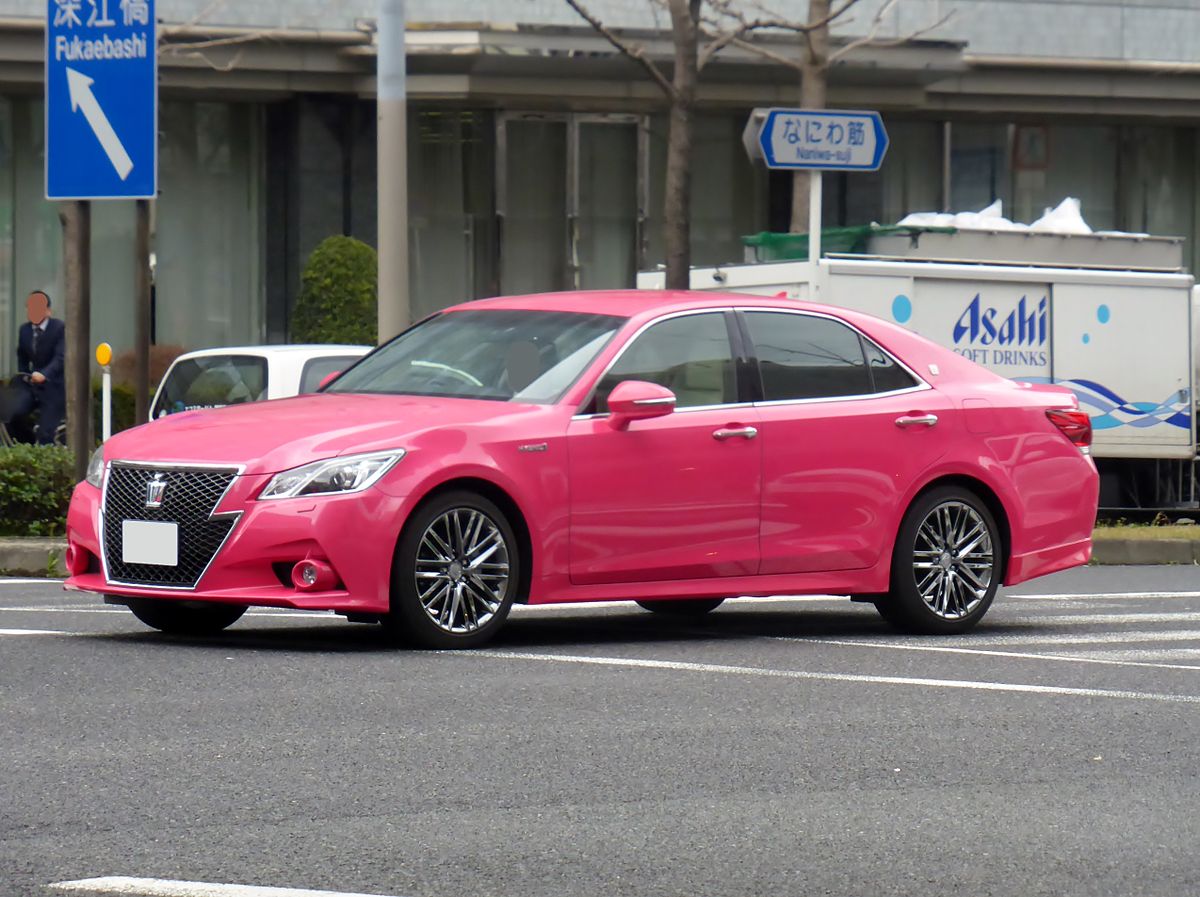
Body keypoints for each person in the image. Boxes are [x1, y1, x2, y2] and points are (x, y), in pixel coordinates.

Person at [2, 291, 65, 445]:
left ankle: (45, 453)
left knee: (46, 433)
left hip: (53, 387)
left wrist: (44, 374)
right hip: (31, 385)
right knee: (11, 415)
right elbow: (22, 356)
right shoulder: (24, 330)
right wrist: (23, 377)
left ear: (48, 311)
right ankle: (27, 447)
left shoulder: (59, 328)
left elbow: (60, 358)